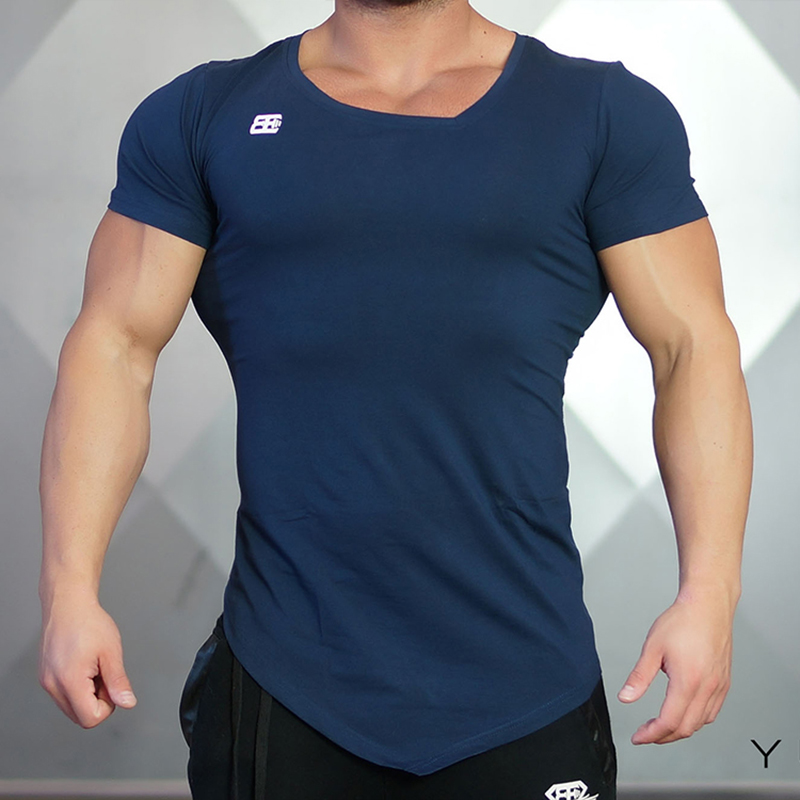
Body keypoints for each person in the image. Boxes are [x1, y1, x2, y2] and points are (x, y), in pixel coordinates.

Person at [37, 0, 753, 797]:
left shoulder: (603, 114)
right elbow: (114, 347)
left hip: (526, 686)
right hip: (288, 682)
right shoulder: (204, 113)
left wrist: (710, 593)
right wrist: (70, 592)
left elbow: (692, 348)